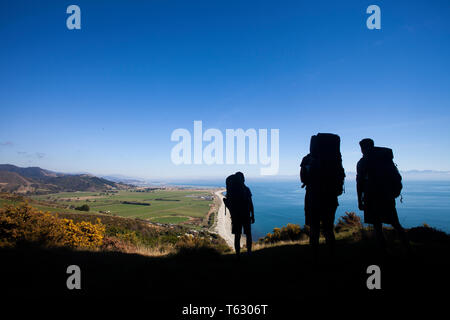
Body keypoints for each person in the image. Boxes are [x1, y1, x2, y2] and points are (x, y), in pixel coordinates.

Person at [356, 138, 410, 253]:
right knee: (396, 224)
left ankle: (383, 251)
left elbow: (360, 183)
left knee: (377, 226)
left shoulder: (362, 162)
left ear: (362, 148)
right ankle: (408, 248)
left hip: (371, 198)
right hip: (387, 196)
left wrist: (360, 201)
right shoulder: (384, 160)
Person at [300, 134, 345, 261]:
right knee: (328, 228)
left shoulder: (308, 159)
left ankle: (314, 257)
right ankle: (332, 255)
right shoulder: (334, 159)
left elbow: (303, 178)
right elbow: (341, 175)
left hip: (313, 198)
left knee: (314, 229)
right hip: (330, 198)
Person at [223, 172, 255, 258]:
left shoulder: (232, 191)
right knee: (248, 235)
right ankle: (249, 252)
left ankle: (238, 255)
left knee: (237, 236)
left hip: (236, 216)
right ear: (243, 179)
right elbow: (251, 204)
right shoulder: (246, 189)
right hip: (246, 215)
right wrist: (253, 215)